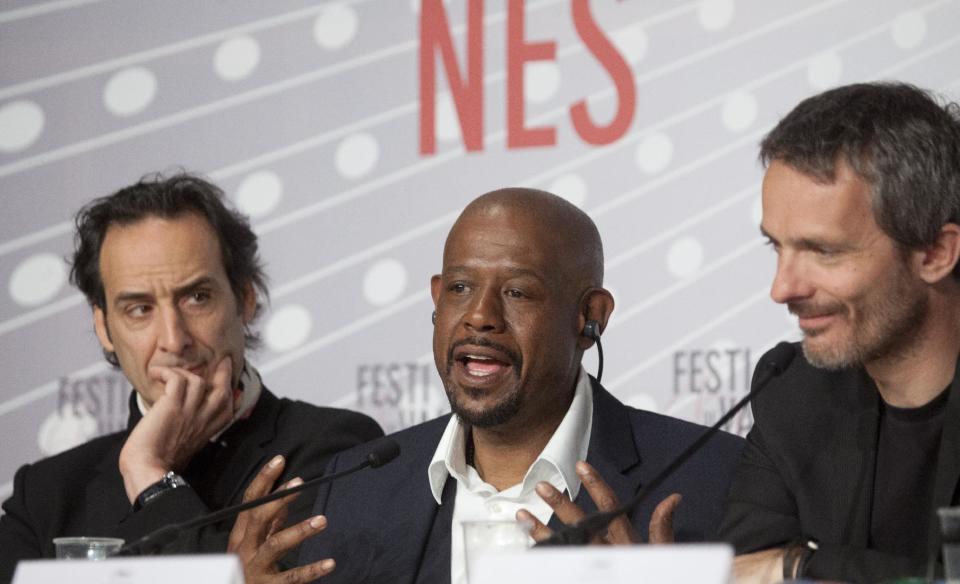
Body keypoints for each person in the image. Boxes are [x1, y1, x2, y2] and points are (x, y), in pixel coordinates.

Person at [289, 187, 745, 583]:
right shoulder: (353, 489)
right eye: (460, 288)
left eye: (517, 292)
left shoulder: (713, 477)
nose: (479, 316)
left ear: (591, 318)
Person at [0, 173, 383, 582]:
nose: (174, 338)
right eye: (139, 309)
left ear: (245, 299)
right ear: (103, 327)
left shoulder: (339, 453)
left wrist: (150, 476)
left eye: (197, 297)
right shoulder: (46, 494)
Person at [719, 82, 960, 583]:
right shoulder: (792, 391)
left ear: (935, 253)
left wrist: (801, 563)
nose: (782, 288)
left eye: (824, 251)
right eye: (776, 248)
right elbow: (743, 568)